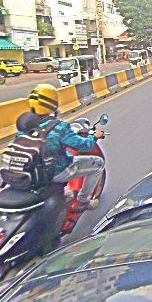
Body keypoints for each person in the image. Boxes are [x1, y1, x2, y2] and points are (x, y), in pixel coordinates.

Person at [16, 84, 105, 212]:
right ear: (53, 104)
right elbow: (83, 146)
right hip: (56, 171)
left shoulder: (24, 123)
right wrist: (94, 137)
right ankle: (83, 201)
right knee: (98, 164)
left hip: (30, 170)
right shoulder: (59, 127)